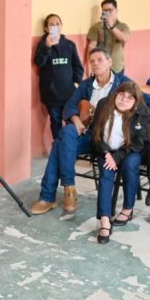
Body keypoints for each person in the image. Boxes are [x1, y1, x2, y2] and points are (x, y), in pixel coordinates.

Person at [30, 47, 129, 215]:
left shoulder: (123, 83)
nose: (95, 64)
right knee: (67, 132)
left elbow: (143, 99)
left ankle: (49, 196)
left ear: (109, 62)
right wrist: (76, 120)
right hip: (87, 134)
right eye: (92, 61)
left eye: (100, 60)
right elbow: (69, 106)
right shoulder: (87, 85)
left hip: (107, 139)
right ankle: (68, 189)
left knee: (59, 144)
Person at [91, 82, 150, 244]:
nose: (124, 100)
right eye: (121, 95)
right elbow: (95, 133)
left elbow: (139, 142)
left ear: (135, 102)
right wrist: (106, 153)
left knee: (130, 165)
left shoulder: (142, 112)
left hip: (131, 150)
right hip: (106, 150)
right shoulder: (104, 104)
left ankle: (128, 208)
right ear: (116, 94)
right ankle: (105, 220)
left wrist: (117, 157)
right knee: (106, 173)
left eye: (129, 98)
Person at [33, 13, 84, 140]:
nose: (55, 26)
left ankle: (69, 145)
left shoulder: (70, 45)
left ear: (61, 26)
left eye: (57, 24)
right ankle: (58, 145)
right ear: (46, 28)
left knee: (71, 121)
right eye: (51, 25)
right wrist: (47, 46)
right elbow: (39, 62)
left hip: (69, 94)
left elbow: (78, 67)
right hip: (51, 95)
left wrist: (76, 83)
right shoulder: (43, 44)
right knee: (55, 122)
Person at [87, 0, 130, 75]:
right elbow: (91, 47)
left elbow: (124, 38)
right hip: (101, 68)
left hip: (117, 67)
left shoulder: (123, 26)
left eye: (110, 10)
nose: (107, 13)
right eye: (104, 11)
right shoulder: (97, 27)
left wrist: (112, 26)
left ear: (116, 10)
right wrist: (89, 67)